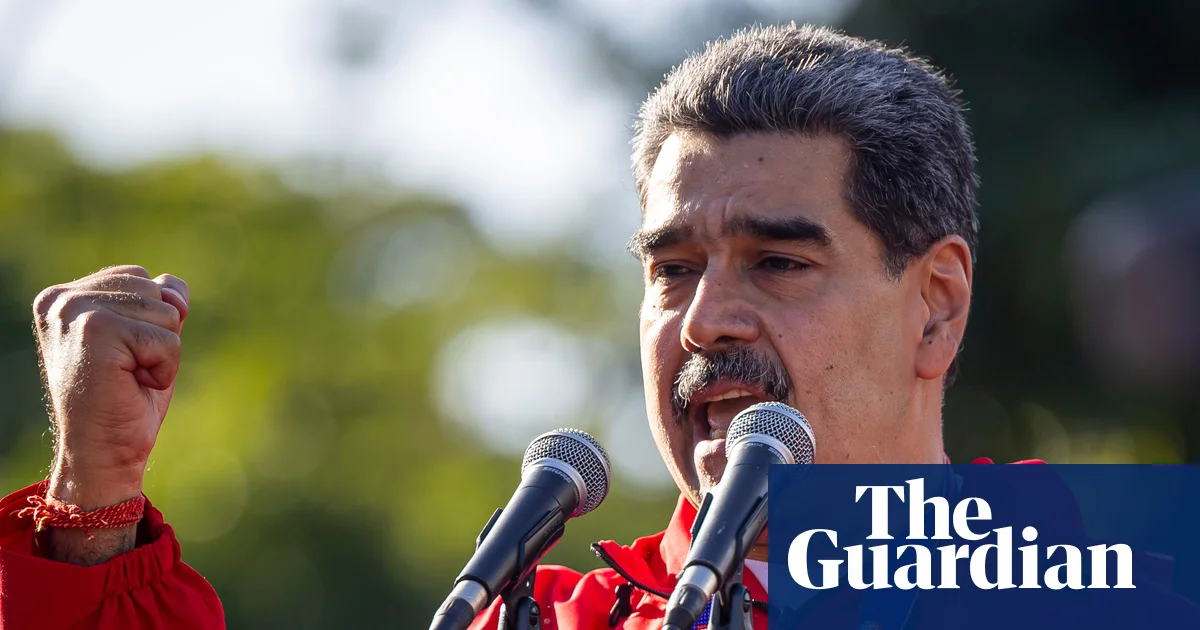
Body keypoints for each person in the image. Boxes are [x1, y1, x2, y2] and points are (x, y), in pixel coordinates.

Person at [0, 23, 1133, 629]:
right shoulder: (546, 615)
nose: (705, 322)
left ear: (936, 307)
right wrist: (96, 507)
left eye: (780, 263)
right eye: (672, 270)